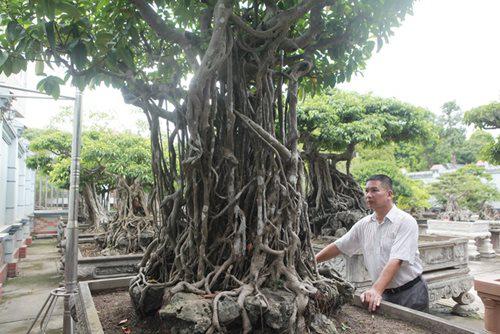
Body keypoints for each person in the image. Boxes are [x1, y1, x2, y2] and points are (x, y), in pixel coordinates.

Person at [315, 174, 428, 312]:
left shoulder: (405, 221)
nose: (368, 195)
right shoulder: (364, 224)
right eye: (367, 191)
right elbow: (339, 246)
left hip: (410, 292)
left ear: (389, 194)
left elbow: (396, 260)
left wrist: (375, 290)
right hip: (383, 293)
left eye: (374, 190)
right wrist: (311, 261)